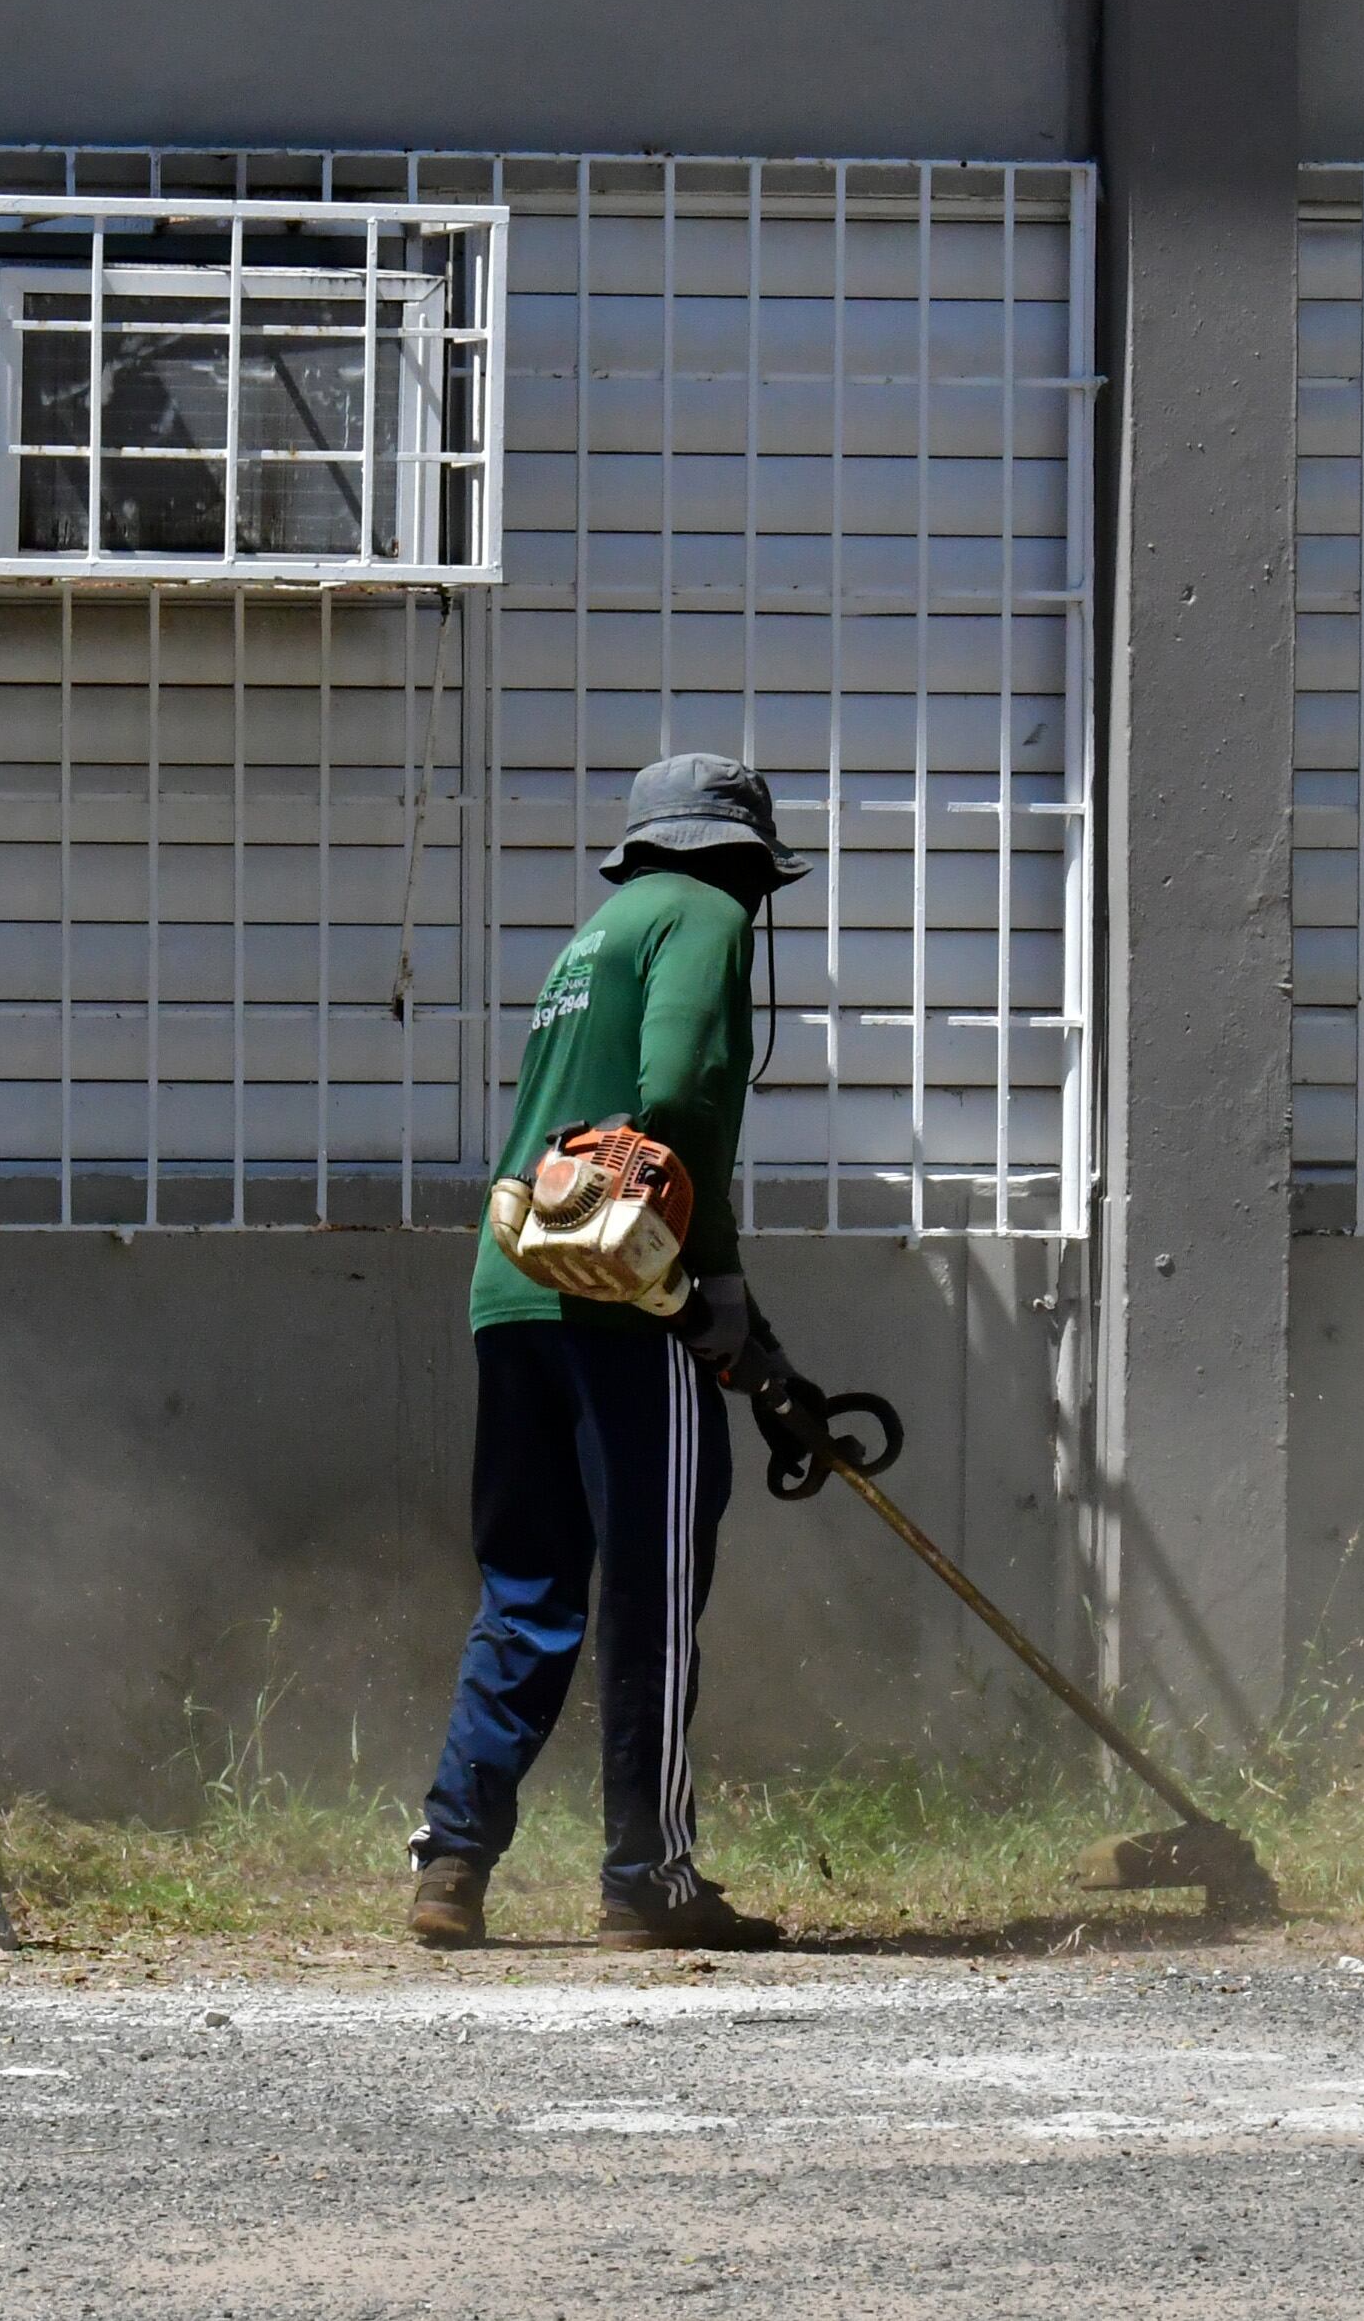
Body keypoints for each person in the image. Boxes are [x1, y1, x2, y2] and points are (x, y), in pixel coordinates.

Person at [407, 751, 806, 1951]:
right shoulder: (707, 915)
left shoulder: (592, 938)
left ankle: (452, 1862)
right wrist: (708, 1286)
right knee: (653, 1588)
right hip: (621, 1297)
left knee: (527, 1589)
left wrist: (757, 1337)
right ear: (744, 858)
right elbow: (680, 1096)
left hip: (514, 1287)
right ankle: (649, 1876)